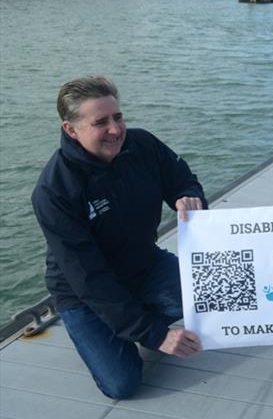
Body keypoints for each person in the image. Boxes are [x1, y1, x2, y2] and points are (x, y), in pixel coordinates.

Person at [31, 76, 206, 400]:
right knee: (121, 384)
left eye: (118, 117)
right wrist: (154, 335)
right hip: (84, 295)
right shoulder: (53, 190)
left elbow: (183, 180)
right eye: (101, 122)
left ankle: (130, 317)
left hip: (143, 265)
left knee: (211, 294)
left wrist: (188, 196)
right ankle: (117, 325)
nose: (115, 129)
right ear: (71, 130)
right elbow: (89, 279)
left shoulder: (143, 145)